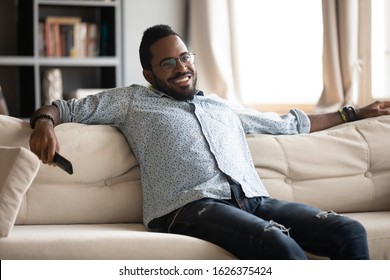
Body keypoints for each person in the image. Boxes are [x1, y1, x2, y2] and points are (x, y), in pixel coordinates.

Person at [29, 24, 390, 260]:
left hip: (252, 200)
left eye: (185, 57)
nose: (181, 67)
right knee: (278, 244)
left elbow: (289, 124)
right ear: (149, 74)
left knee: (348, 231)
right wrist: (44, 123)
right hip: (187, 207)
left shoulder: (220, 106)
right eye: (168, 62)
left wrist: (354, 113)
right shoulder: (131, 101)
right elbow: (64, 107)